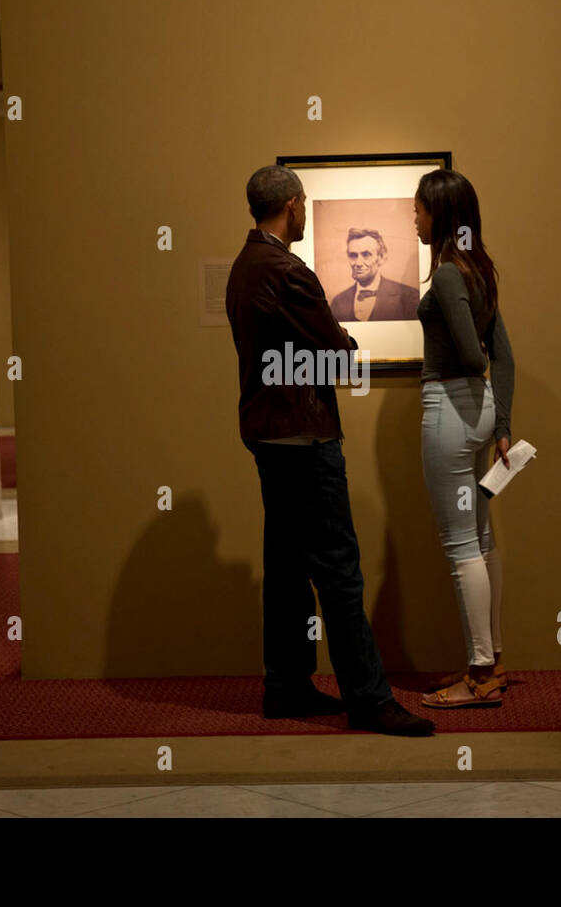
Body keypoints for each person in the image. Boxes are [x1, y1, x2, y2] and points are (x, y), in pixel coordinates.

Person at [226, 164, 434, 737]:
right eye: (302, 204)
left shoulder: (245, 267)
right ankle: (368, 698)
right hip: (304, 434)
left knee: (288, 567)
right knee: (339, 572)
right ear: (291, 205)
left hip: (269, 433)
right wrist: (346, 342)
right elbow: (337, 353)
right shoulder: (288, 270)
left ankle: (287, 686)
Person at [411, 169, 516, 710]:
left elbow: (477, 357)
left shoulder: (450, 275)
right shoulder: (481, 270)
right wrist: (502, 427)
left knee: (460, 545)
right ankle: (491, 658)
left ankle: (480, 676)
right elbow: (505, 359)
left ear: (443, 216)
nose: (415, 218)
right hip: (480, 410)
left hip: (450, 408)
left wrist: (465, 353)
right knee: (482, 538)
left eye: (421, 210)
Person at [330, 228, 420, 321]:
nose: (358, 263)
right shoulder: (338, 302)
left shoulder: (408, 297)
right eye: (353, 255)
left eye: (366, 255)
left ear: (381, 258)